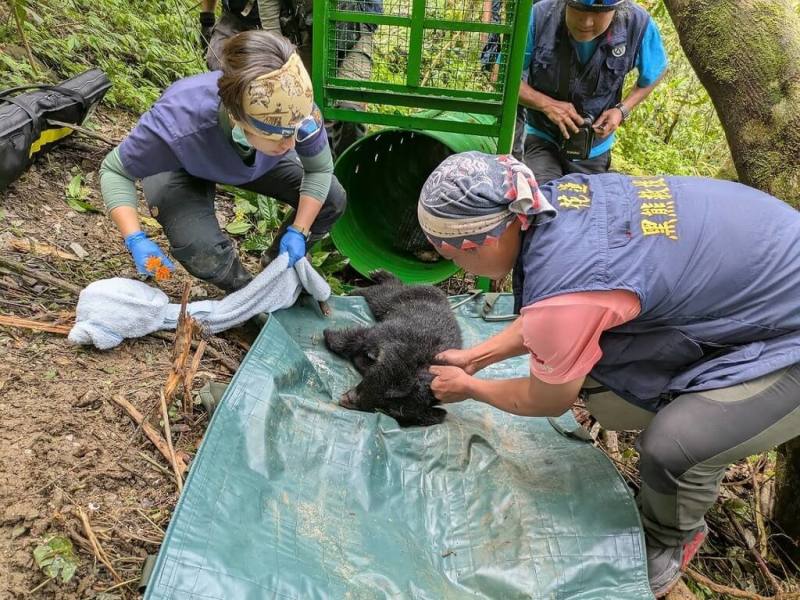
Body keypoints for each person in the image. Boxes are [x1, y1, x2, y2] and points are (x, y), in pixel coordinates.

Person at [418, 151, 800, 597]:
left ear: (471, 246)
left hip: (788, 331)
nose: (458, 267)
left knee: (672, 448)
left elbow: (549, 398)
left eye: (450, 257)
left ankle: (670, 537)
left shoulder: (566, 291)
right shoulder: (552, 202)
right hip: (762, 284)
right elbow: (566, 304)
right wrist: (477, 356)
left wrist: (471, 389)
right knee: (595, 372)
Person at [99, 31, 345, 292]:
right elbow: (115, 170)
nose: (292, 144)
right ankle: (244, 291)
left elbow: (319, 170)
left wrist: (299, 230)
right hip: (180, 165)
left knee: (331, 197)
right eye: (280, 136)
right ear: (237, 117)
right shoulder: (177, 123)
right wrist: (135, 238)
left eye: (296, 134)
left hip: (254, 159)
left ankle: (276, 268)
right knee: (201, 250)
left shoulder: (293, 104)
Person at [199, 0, 381, 158]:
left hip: (354, 29)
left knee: (350, 111)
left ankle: (342, 172)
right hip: (307, 31)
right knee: (303, 105)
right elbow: (269, 6)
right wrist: (279, 55)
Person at [520, 0, 667, 184]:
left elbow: (656, 71)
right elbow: (505, 77)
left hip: (594, 147)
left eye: (598, 13)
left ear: (615, 9)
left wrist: (622, 110)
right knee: (543, 195)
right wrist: (545, 104)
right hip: (542, 136)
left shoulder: (637, 24)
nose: (586, 22)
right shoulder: (539, 16)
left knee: (586, 200)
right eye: (578, 9)